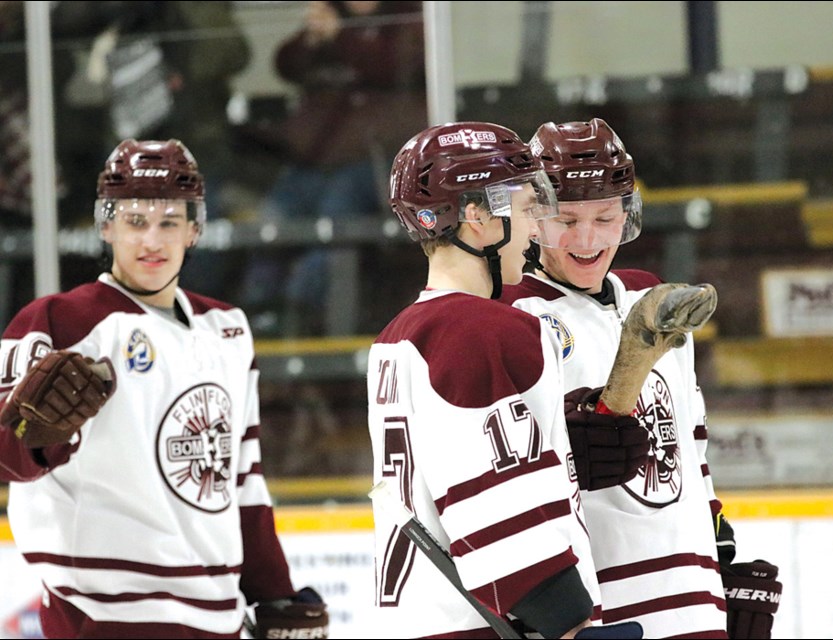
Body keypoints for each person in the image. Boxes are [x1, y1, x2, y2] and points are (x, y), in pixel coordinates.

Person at [0, 139, 328, 639]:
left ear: (194, 229)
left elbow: (240, 478)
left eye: (169, 222)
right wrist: (37, 435)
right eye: (135, 221)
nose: (151, 240)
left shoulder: (228, 330)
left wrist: (272, 592)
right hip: (102, 617)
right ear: (105, 226)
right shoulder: (60, 322)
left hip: (216, 617)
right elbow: (6, 454)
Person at [501, 119, 780, 639]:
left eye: (605, 217)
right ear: (533, 220)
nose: (586, 239)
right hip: (596, 607)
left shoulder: (654, 299)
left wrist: (721, 563)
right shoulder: (512, 315)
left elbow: (688, 446)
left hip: (691, 598)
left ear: (628, 214)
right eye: (565, 219)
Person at [367, 122, 643, 639]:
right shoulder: (483, 328)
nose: (537, 229)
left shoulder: (399, 332)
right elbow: (492, 503)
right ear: (477, 218)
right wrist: (570, 626)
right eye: (524, 210)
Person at [241, 0, 427, 336]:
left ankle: (301, 312)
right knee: (272, 218)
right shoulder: (332, 17)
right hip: (313, 160)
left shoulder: (405, 15)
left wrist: (342, 36)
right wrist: (312, 39)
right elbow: (286, 64)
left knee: (332, 224)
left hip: (371, 161)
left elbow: (395, 66)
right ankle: (257, 314)